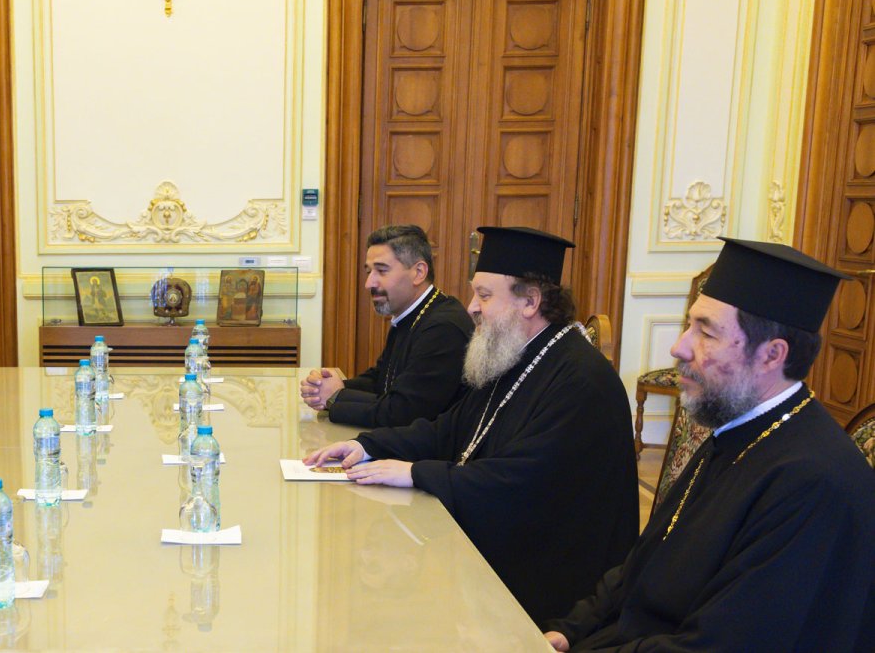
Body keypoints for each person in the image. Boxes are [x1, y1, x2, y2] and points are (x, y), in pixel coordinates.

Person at [544, 238, 875, 652]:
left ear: (772, 355)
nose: (678, 346)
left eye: (706, 332)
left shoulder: (815, 483)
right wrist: (571, 630)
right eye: (689, 325)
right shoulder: (736, 431)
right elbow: (644, 564)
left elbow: (722, 645)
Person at [304, 226, 638, 625]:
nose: (472, 307)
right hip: (511, 542)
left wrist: (415, 473)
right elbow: (449, 429)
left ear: (530, 301)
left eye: (484, 295)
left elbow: (523, 480)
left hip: (555, 581)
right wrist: (368, 446)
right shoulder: (516, 354)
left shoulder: (581, 380)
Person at [301, 225, 473, 428]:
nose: (369, 283)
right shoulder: (410, 314)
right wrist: (329, 387)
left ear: (418, 272)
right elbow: (381, 380)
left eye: (381, 271)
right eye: (369, 271)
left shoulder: (444, 329)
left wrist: (337, 396)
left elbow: (404, 413)